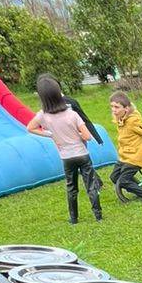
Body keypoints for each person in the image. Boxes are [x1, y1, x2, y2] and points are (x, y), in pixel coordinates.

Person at [27, 76, 102, 224]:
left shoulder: (42, 115)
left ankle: (74, 218)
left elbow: (30, 128)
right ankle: (98, 215)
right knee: (91, 185)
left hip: (66, 157)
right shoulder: (72, 114)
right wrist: (77, 134)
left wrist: (50, 134)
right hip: (82, 154)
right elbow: (87, 136)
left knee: (71, 187)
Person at [109, 91, 142, 204]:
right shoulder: (120, 121)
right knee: (114, 177)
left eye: (117, 107)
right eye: (112, 106)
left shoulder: (133, 122)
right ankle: (138, 190)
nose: (113, 110)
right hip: (124, 156)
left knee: (123, 181)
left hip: (135, 157)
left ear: (126, 109)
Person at [38, 72, 105, 145]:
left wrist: (98, 138)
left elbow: (85, 120)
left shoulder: (69, 103)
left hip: (76, 143)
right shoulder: (44, 108)